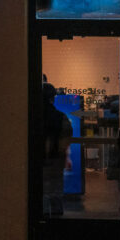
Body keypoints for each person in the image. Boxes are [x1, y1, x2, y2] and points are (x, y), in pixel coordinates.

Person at [41, 82, 72, 216]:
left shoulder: (32, 117)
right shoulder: (60, 116)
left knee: (41, 192)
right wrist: (64, 156)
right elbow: (66, 137)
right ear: (52, 98)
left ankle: (42, 219)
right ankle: (56, 221)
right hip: (55, 161)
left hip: (39, 160)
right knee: (56, 191)